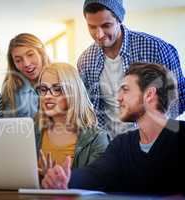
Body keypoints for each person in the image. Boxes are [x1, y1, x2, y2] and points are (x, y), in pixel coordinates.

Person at [41, 63, 184, 194]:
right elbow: (95, 174)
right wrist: (65, 178)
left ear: (149, 94)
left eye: (126, 90)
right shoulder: (121, 144)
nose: (118, 98)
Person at [78, 0, 185, 138]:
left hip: (154, 142)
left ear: (119, 19)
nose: (99, 34)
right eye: (92, 27)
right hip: (111, 147)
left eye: (106, 26)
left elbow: (180, 96)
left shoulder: (157, 48)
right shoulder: (85, 61)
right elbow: (89, 109)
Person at [35, 62, 109, 178]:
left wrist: (57, 179)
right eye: (43, 89)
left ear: (74, 92)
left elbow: (96, 182)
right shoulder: (33, 132)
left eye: (57, 89)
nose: (47, 96)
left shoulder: (97, 139)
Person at [2, 33, 50, 118]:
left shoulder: (60, 79)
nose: (26, 64)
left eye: (30, 55)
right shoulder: (10, 89)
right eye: (18, 60)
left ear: (41, 54)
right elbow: (8, 126)